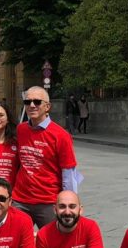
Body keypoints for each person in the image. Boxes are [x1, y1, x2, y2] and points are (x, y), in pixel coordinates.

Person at [12, 86, 79, 229]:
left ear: (47, 106)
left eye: (36, 102)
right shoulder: (21, 130)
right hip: (20, 200)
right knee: (17, 244)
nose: (31, 105)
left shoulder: (61, 135)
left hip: (48, 201)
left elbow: (68, 173)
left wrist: (70, 203)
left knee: (53, 244)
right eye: (27, 102)